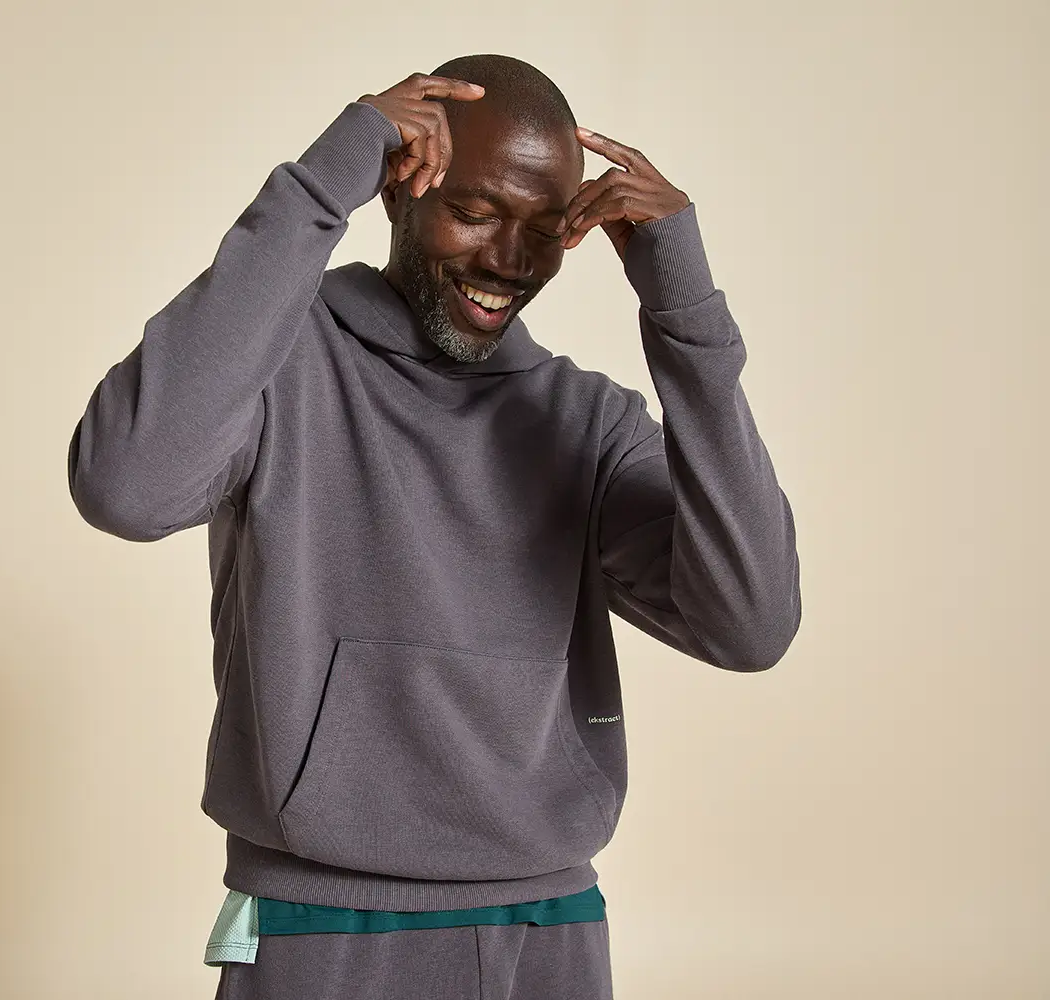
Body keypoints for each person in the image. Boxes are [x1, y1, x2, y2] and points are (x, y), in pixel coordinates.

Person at [67, 52, 801, 1000]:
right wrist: (323, 180)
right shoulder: (278, 366)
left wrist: (684, 310)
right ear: (400, 188)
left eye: (545, 231)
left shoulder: (587, 422)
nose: (508, 261)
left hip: (549, 922)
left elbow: (751, 624)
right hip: (322, 918)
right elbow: (126, 487)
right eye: (476, 211)